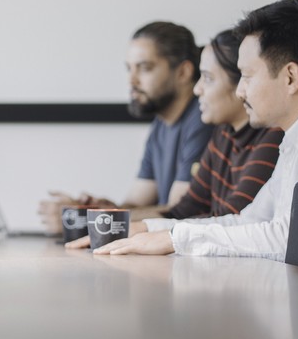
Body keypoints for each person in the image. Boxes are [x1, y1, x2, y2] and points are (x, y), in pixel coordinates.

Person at [96, 0, 298, 277]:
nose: (240, 89)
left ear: (290, 77)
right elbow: (249, 221)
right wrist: (154, 228)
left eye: (247, 75)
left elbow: (291, 239)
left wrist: (176, 238)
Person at [67, 29, 284, 249]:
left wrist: (151, 231)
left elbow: (232, 219)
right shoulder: (222, 133)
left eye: (207, 78)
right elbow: (184, 210)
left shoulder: (271, 136)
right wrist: (109, 221)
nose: (198, 89)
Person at [39, 21, 213, 232]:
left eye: (145, 68)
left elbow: (179, 212)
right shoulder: (160, 125)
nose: (132, 81)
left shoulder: (204, 118)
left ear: (183, 72)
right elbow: (135, 204)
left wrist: (84, 219)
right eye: (129, 69)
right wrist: (94, 209)